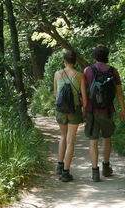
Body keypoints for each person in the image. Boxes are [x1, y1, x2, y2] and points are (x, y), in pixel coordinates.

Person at [83, 45, 125, 182]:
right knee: (107, 138)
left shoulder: (87, 71)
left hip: (91, 110)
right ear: (107, 56)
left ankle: (95, 172)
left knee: (93, 140)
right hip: (107, 110)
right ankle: (106, 168)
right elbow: (119, 93)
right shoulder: (113, 71)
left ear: (94, 56)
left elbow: (83, 93)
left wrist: (83, 110)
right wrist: (122, 110)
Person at [54, 50, 87, 182]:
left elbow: (56, 93)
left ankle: (59, 165)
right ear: (75, 61)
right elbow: (84, 97)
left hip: (60, 110)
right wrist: (84, 112)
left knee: (63, 136)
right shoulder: (80, 76)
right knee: (70, 141)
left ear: (65, 61)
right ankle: (66, 172)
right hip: (74, 111)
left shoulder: (57, 74)